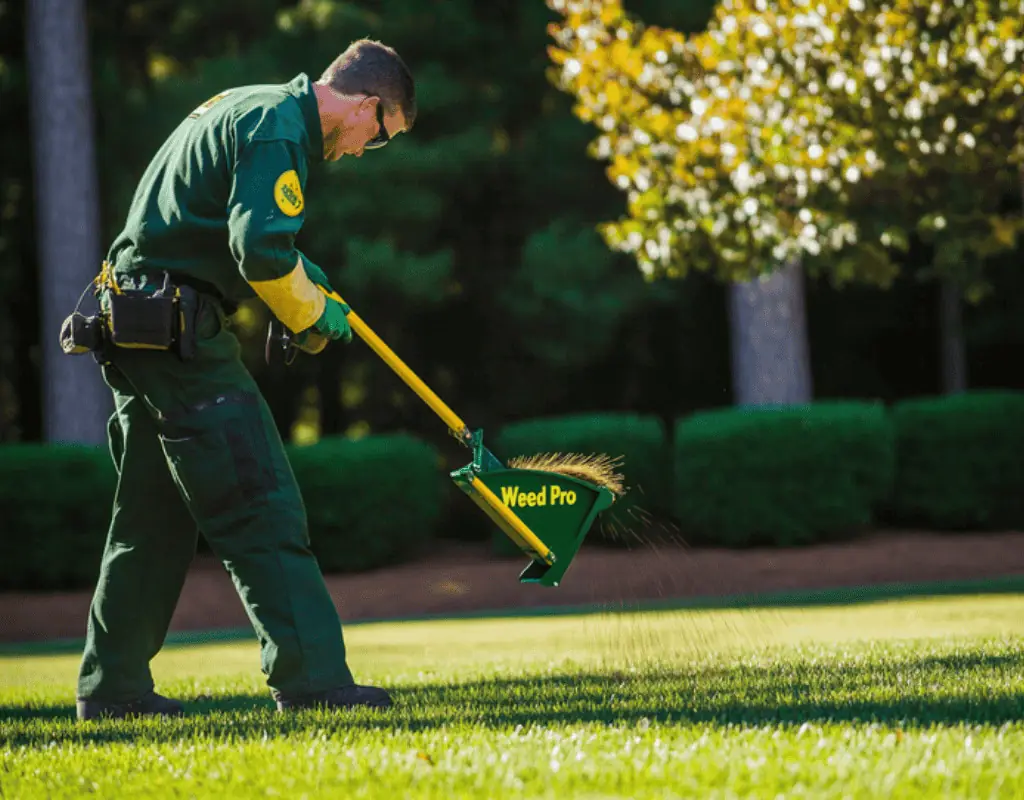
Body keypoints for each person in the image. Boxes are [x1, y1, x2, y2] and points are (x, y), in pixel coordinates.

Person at [73, 39, 416, 721]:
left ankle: (111, 691)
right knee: (260, 499)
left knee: (153, 519)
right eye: (379, 138)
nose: (360, 152)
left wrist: (311, 283)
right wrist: (314, 316)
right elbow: (259, 251)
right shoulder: (279, 128)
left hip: (132, 323)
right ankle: (313, 680)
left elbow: (226, 231)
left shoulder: (243, 106)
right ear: (367, 107)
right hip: (178, 336)